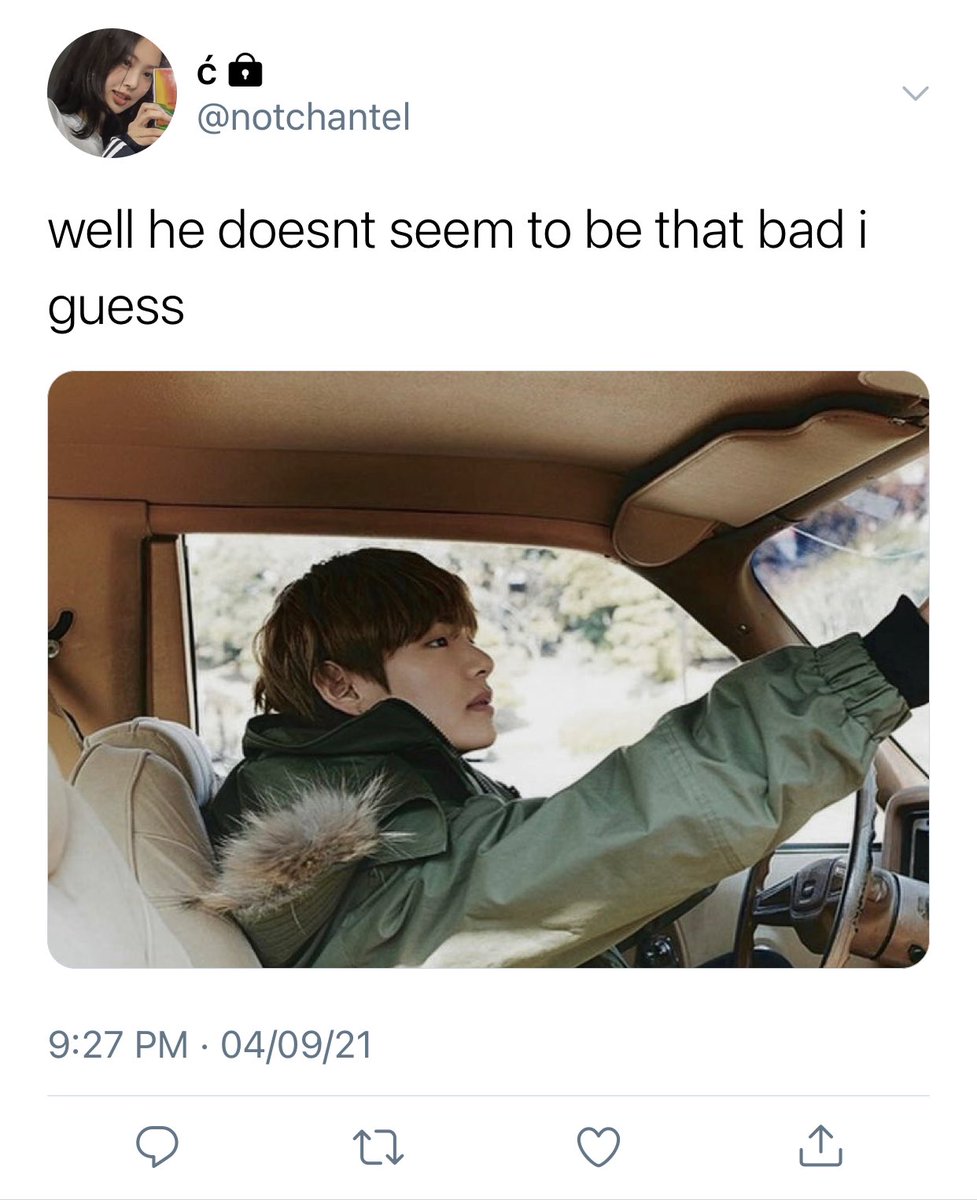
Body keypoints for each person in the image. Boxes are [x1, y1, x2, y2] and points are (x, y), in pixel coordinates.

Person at [200, 548, 929, 968]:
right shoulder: (333, 834)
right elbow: (586, 849)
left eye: (467, 636)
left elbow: (566, 870)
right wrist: (892, 666)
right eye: (438, 642)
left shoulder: (414, 789)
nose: (480, 660)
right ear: (341, 685)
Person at [47, 29, 170, 156]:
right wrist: (124, 146)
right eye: (126, 62)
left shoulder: (139, 140)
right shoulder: (53, 118)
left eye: (147, 74)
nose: (133, 83)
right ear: (94, 54)